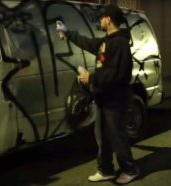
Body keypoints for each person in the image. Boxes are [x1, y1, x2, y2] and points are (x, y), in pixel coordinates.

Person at [56, 4, 139, 184]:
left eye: (102, 17)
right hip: (104, 98)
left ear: (108, 19)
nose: (100, 20)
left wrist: (91, 78)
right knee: (102, 136)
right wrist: (68, 32)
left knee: (117, 136)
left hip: (115, 100)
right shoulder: (106, 42)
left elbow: (115, 74)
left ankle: (130, 169)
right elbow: (88, 42)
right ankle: (106, 170)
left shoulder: (120, 44)